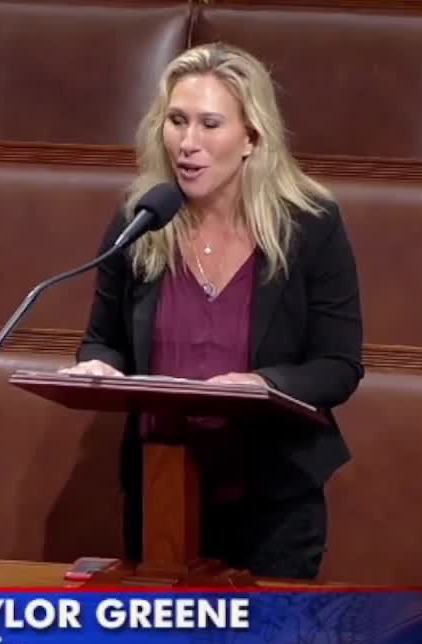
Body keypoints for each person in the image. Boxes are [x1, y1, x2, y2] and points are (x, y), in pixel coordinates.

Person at [60, 43, 364, 580]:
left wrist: (261, 383)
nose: (188, 143)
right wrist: (99, 366)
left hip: (272, 501)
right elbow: (102, 338)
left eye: (210, 124)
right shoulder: (142, 221)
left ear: (251, 137)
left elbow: (338, 366)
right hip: (161, 490)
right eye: (177, 121)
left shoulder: (311, 226)